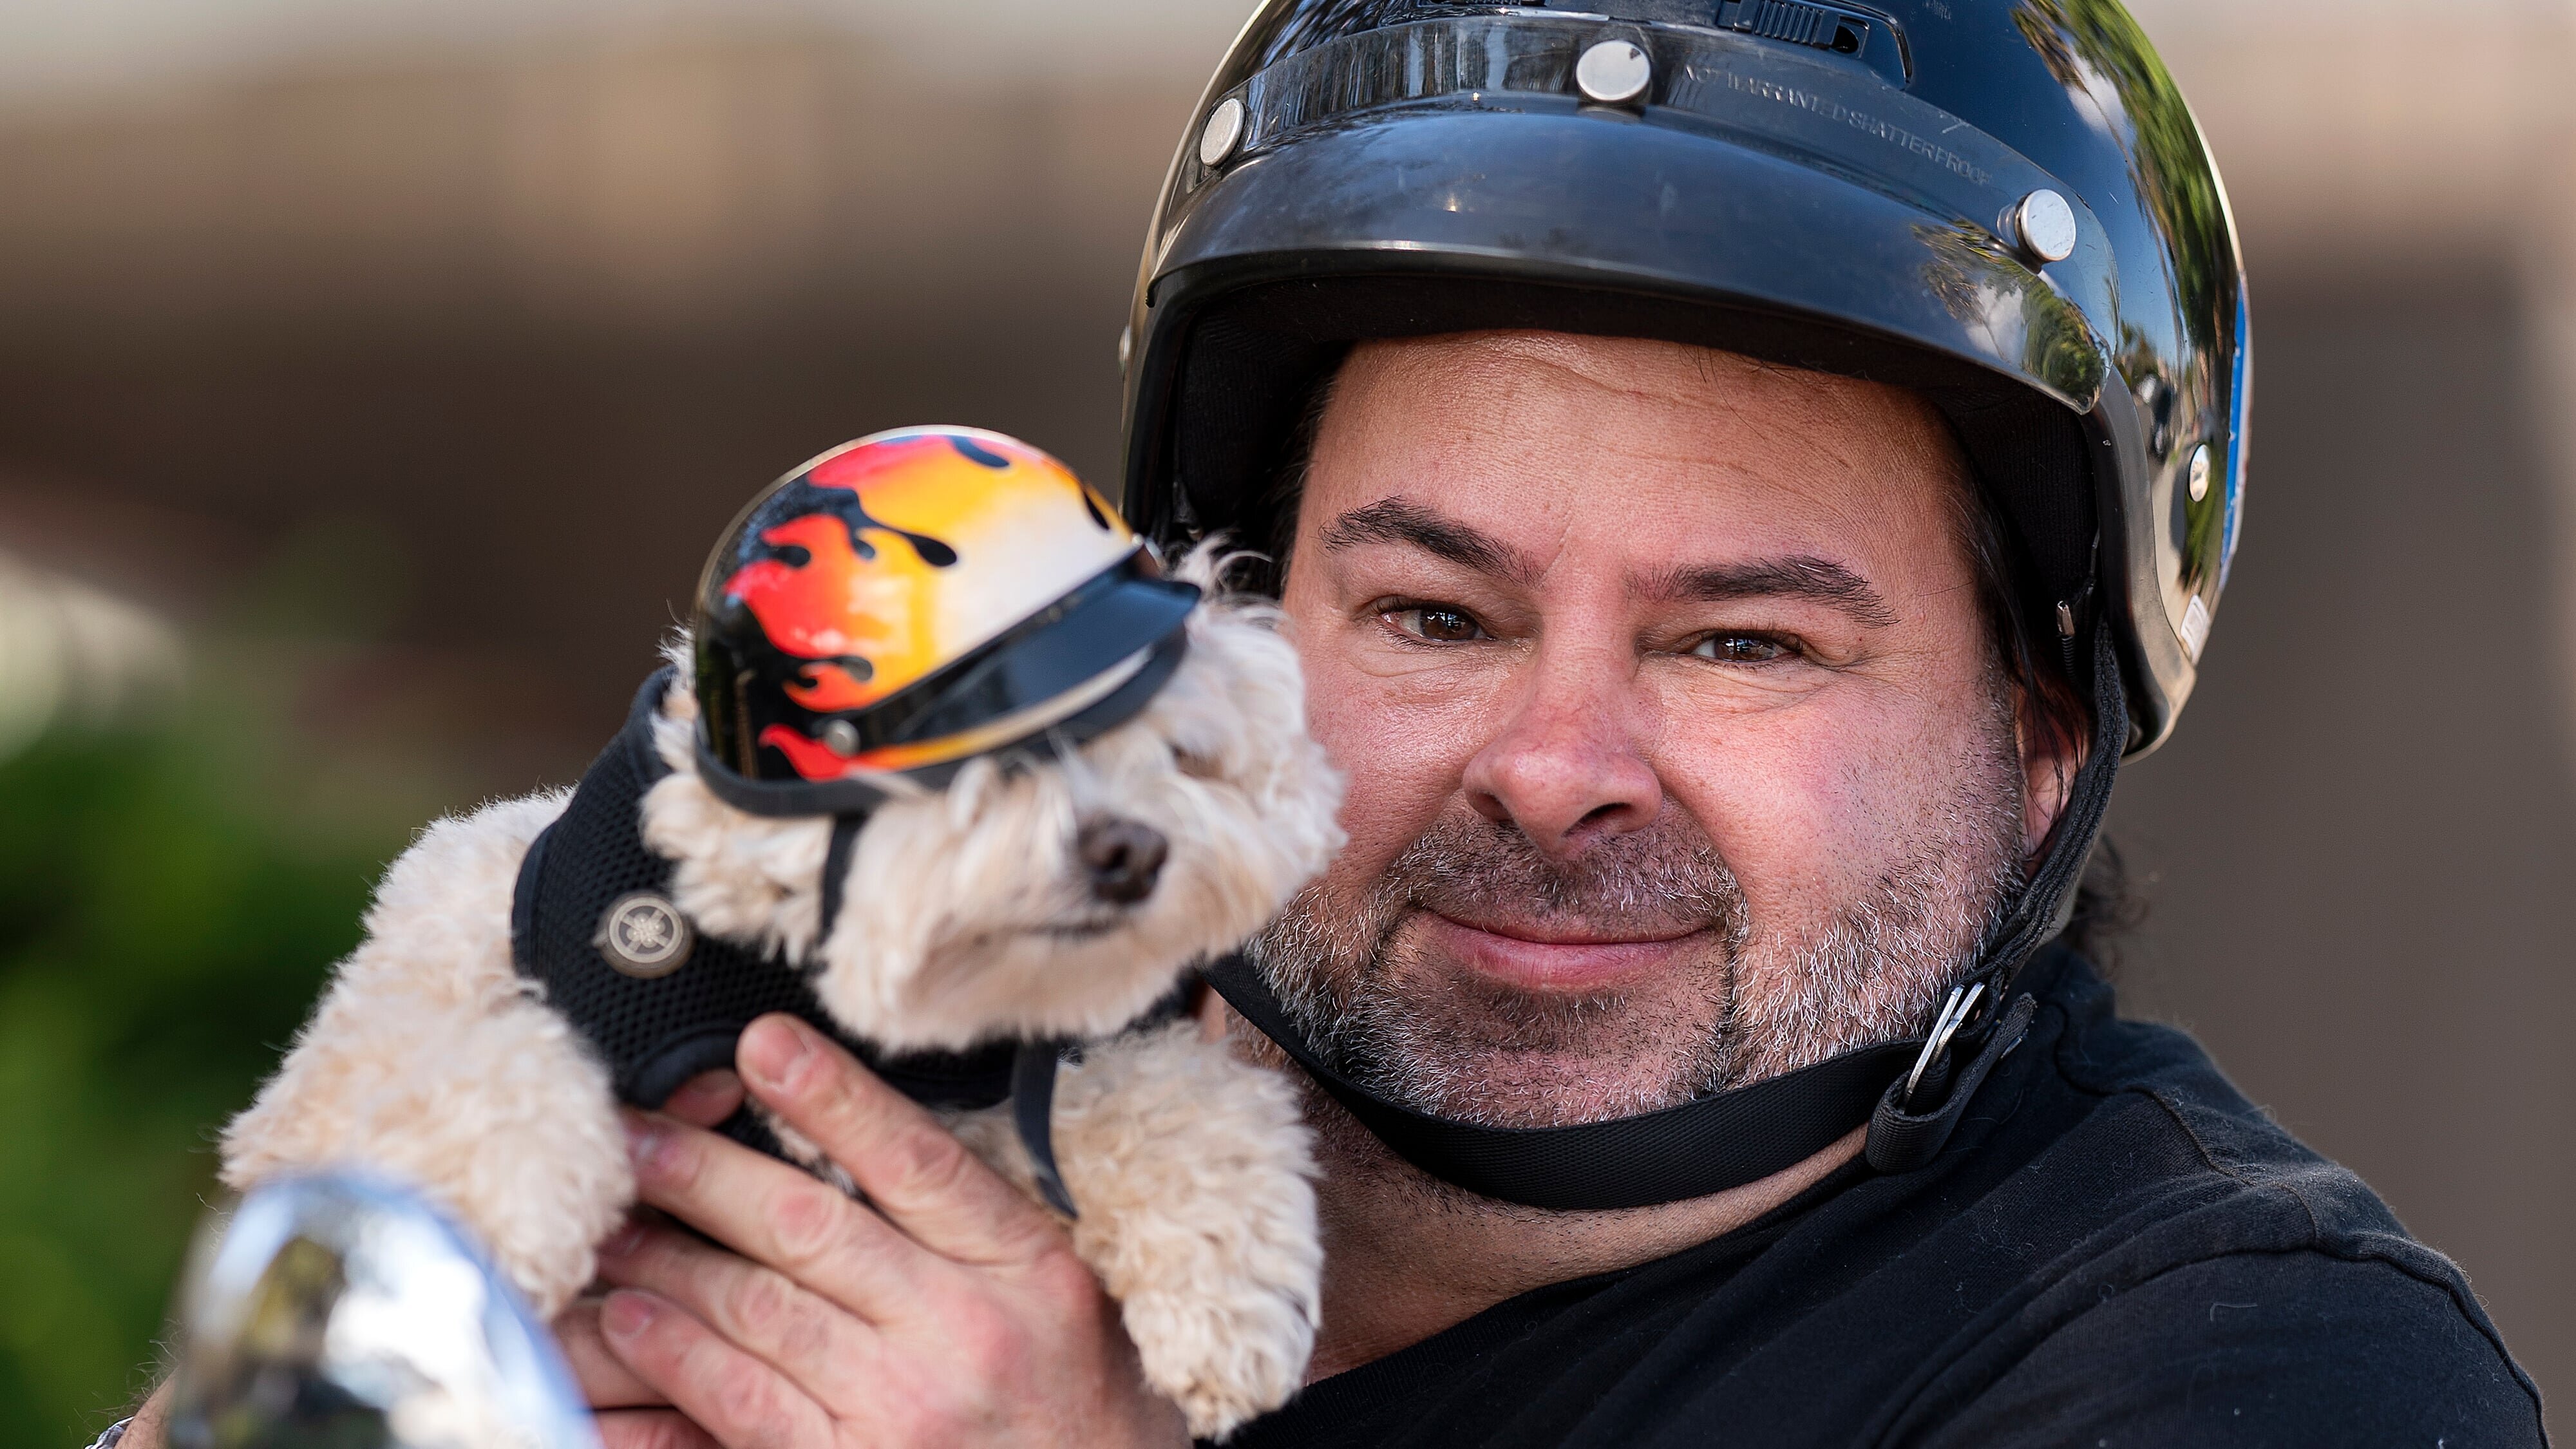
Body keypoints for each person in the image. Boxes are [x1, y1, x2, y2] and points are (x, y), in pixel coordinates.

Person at [107, 1, 2547, 1445]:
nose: (1557, 760)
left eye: (1743, 643)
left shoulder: (2254, 1372)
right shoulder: (890, 1022)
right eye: (1434, 608)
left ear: (2043, 735)